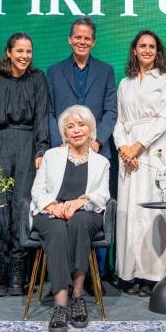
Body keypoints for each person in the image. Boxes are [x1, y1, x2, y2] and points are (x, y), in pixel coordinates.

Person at [0, 32, 49, 297]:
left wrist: (42, 148)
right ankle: (1, 271)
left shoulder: (38, 79)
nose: (24, 56)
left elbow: (42, 115)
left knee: (21, 207)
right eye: (19, 51)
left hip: (27, 143)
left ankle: (19, 271)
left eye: (28, 51)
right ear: (8, 52)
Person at [30, 105, 110, 332]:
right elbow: (37, 190)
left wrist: (79, 203)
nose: (76, 130)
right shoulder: (50, 157)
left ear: (90, 129)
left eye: (81, 125)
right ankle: (61, 303)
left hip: (85, 212)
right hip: (50, 212)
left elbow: (102, 195)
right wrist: (52, 206)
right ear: (64, 133)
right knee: (56, 230)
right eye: (70, 127)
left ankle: (78, 295)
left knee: (79, 222)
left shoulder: (101, 163)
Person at [46, 17, 117, 276]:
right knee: (63, 212)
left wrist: (96, 141)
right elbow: (51, 112)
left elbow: (111, 112)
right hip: (64, 154)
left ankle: (95, 275)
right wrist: (61, 146)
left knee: (93, 211)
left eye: (87, 38)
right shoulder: (53, 72)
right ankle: (64, 273)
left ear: (94, 41)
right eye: (78, 37)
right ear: (70, 39)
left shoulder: (106, 70)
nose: (82, 41)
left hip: (97, 152)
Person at [113, 30, 166, 296]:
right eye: (142, 45)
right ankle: (130, 273)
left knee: (154, 212)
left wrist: (138, 147)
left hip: (154, 151)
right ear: (134, 50)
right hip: (128, 155)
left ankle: (154, 276)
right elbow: (119, 121)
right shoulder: (124, 84)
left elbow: (164, 120)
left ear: (157, 51)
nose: (147, 50)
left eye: (152, 46)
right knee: (130, 212)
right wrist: (123, 149)